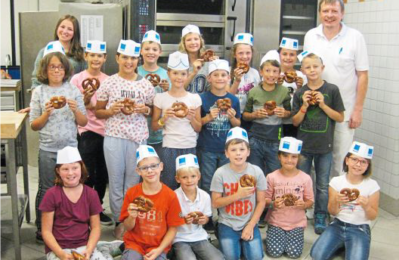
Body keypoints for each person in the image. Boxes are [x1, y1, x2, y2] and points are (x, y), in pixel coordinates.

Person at [95, 40, 155, 239]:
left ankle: (132, 218)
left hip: (138, 138)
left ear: (138, 60)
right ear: (117, 58)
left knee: (133, 181)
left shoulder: (145, 84)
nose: (129, 62)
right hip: (114, 137)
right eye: (125, 57)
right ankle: (120, 220)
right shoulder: (109, 82)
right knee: (115, 180)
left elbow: (152, 110)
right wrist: (111, 110)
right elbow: (98, 111)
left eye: (133, 58)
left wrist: (144, 109)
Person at [303, 0, 369, 178]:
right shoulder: (311, 35)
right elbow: (306, 68)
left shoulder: (355, 37)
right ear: (319, 13)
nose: (329, 15)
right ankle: (315, 203)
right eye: (325, 10)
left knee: (340, 159)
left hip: (343, 111)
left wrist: (358, 110)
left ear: (342, 13)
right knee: (313, 159)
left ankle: (335, 203)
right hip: (314, 111)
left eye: (334, 11)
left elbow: (363, 74)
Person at [29, 41, 87, 242]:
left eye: (60, 66)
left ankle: (68, 225)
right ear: (45, 69)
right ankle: (41, 228)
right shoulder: (39, 92)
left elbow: (83, 121)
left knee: (71, 187)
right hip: (48, 148)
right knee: (47, 188)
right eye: (52, 66)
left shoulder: (73, 91)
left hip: (70, 149)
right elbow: (34, 125)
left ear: (66, 69)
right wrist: (46, 113)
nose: (56, 70)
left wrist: (75, 110)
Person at [292, 52, 345, 234]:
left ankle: (320, 214)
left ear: (322, 68)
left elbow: (340, 117)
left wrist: (323, 105)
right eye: (308, 67)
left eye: (315, 66)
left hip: (325, 147)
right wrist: (304, 106)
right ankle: (300, 213)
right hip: (304, 147)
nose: (312, 70)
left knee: (322, 184)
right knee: (302, 182)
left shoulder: (332, 90)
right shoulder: (300, 93)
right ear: (302, 71)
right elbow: (295, 122)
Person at [40, 146, 121, 260]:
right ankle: (104, 248)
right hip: (59, 248)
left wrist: (89, 249)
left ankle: (101, 248)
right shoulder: (51, 194)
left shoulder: (91, 194)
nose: (70, 173)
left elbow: (96, 228)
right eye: (65, 169)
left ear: (81, 168)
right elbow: (46, 232)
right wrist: (61, 254)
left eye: (75, 168)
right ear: (58, 171)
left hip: (85, 246)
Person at [311, 141, 379, 260]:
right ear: (347, 160)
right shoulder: (336, 182)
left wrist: (367, 206)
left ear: (368, 165)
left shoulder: (372, 186)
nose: (358, 165)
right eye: (354, 160)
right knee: (317, 255)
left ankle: (346, 244)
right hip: (337, 225)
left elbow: (372, 216)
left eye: (363, 162)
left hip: (360, 228)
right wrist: (337, 201)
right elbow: (332, 212)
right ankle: (343, 244)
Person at [70, 40, 113, 226]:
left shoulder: (109, 80)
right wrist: (84, 100)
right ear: (86, 56)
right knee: (87, 171)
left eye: (99, 55)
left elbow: (109, 107)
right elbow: (73, 106)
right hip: (87, 130)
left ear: (105, 58)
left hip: (107, 130)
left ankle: (99, 207)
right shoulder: (77, 79)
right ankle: (85, 209)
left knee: (103, 173)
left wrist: (91, 104)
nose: (96, 59)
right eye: (92, 55)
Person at [119, 145, 185, 260]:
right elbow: (128, 227)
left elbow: (173, 228)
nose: (149, 171)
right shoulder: (132, 193)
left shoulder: (170, 196)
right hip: (134, 244)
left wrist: (159, 250)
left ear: (161, 166)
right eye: (144, 168)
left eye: (153, 166)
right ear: (138, 171)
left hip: (159, 245)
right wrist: (131, 217)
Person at [210, 127, 267, 260]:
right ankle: (226, 236)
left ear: (248, 152)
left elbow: (261, 201)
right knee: (231, 257)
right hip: (227, 223)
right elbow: (215, 202)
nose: (238, 154)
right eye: (233, 150)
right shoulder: (220, 173)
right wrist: (238, 195)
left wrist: (251, 225)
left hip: (249, 221)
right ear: (226, 153)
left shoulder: (256, 171)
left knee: (256, 257)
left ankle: (243, 243)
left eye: (242, 149)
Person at [151, 51, 202, 190]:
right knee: (169, 185)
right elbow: (155, 126)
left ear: (187, 75)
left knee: (189, 186)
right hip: (169, 147)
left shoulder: (194, 98)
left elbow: (198, 128)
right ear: (168, 73)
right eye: (175, 73)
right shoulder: (160, 98)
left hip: (189, 146)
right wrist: (165, 118)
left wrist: (191, 118)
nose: (179, 77)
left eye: (183, 74)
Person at [243, 50, 291, 175]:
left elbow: (289, 113)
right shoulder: (254, 92)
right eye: (268, 71)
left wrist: (284, 113)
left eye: (275, 71)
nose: (271, 74)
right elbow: (245, 115)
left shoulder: (284, 91)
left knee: (274, 174)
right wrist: (254, 115)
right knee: (254, 173)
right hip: (255, 139)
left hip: (275, 139)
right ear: (261, 71)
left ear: (279, 73)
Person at [264, 137, 314, 258]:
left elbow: (310, 201)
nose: (289, 160)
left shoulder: (305, 178)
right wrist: (273, 203)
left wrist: (304, 204)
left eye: (294, 157)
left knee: (293, 253)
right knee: (275, 252)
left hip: (297, 223)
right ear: (279, 157)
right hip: (276, 222)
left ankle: (288, 237)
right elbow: (265, 201)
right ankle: (274, 234)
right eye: (285, 156)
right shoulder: (271, 177)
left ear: (298, 158)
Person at [198, 59, 241, 196]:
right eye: (215, 75)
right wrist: (208, 117)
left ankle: (224, 211)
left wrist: (232, 118)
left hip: (227, 149)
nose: (220, 78)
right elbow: (197, 124)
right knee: (207, 181)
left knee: (226, 180)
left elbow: (238, 125)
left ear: (229, 78)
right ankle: (209, 212)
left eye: (223, 75)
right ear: (209, 78)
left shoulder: (233, 100)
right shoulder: (201, 98)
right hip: (207, 148)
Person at [172, 154, 224, 260]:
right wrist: (182, 220)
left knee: (218, 258)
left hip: (199, 236)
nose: (189, 180)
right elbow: (170, 221)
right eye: (184, 177)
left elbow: (206, 217)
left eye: (193, 176)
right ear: (177, 179)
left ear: (199, 177)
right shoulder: (173, 197)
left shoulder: (204, 196)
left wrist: (204, 220)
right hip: (180, 237)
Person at [138, 30, 170, 155]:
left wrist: (167, 90)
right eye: (147, 49)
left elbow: (173, 101)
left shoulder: (166, 75)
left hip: (159, 132)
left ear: (160, 52)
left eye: (154, 49)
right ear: (141, 51)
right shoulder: (135, 72)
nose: (150, 52)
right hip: (138, 129)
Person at [32, 15, 86, 88]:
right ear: (57, 28)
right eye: (62, 27)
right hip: (48, 96)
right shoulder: (44, 51)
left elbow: (85, 77)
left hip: (73, 96)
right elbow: (36, 79)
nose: (65, 31)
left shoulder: (81, 53)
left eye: (70, 29)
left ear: (75, 33)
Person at [228, 33, 261, 131]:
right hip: (232, 114)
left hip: (249, 115)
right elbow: (228, 97)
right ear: (234, 54)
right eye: (241, 53)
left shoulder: (255, 73)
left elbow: (257, 96)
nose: (245, 56)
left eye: (248, 53)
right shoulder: (227, 71)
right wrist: (237, 80)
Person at [278, 37, 307, 137]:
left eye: (292, 55)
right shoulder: (272, 75)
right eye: (284, 54)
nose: (288, 58)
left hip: (296, 122)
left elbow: (306, 101)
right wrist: (277, 86)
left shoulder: (302, 76)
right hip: (277, 121)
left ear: (296, 57)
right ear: (279, 55)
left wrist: (300, 89)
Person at [178, 24, 217, 94]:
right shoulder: (179, 63)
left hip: (204, 103)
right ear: (184, 43)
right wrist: (194, 72)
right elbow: (178, 90)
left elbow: (214, 91)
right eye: (189, 40)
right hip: (184, 103)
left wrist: (216, 68)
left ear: (200, 41)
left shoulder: (208, 63)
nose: (193, 42)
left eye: (196, 39)